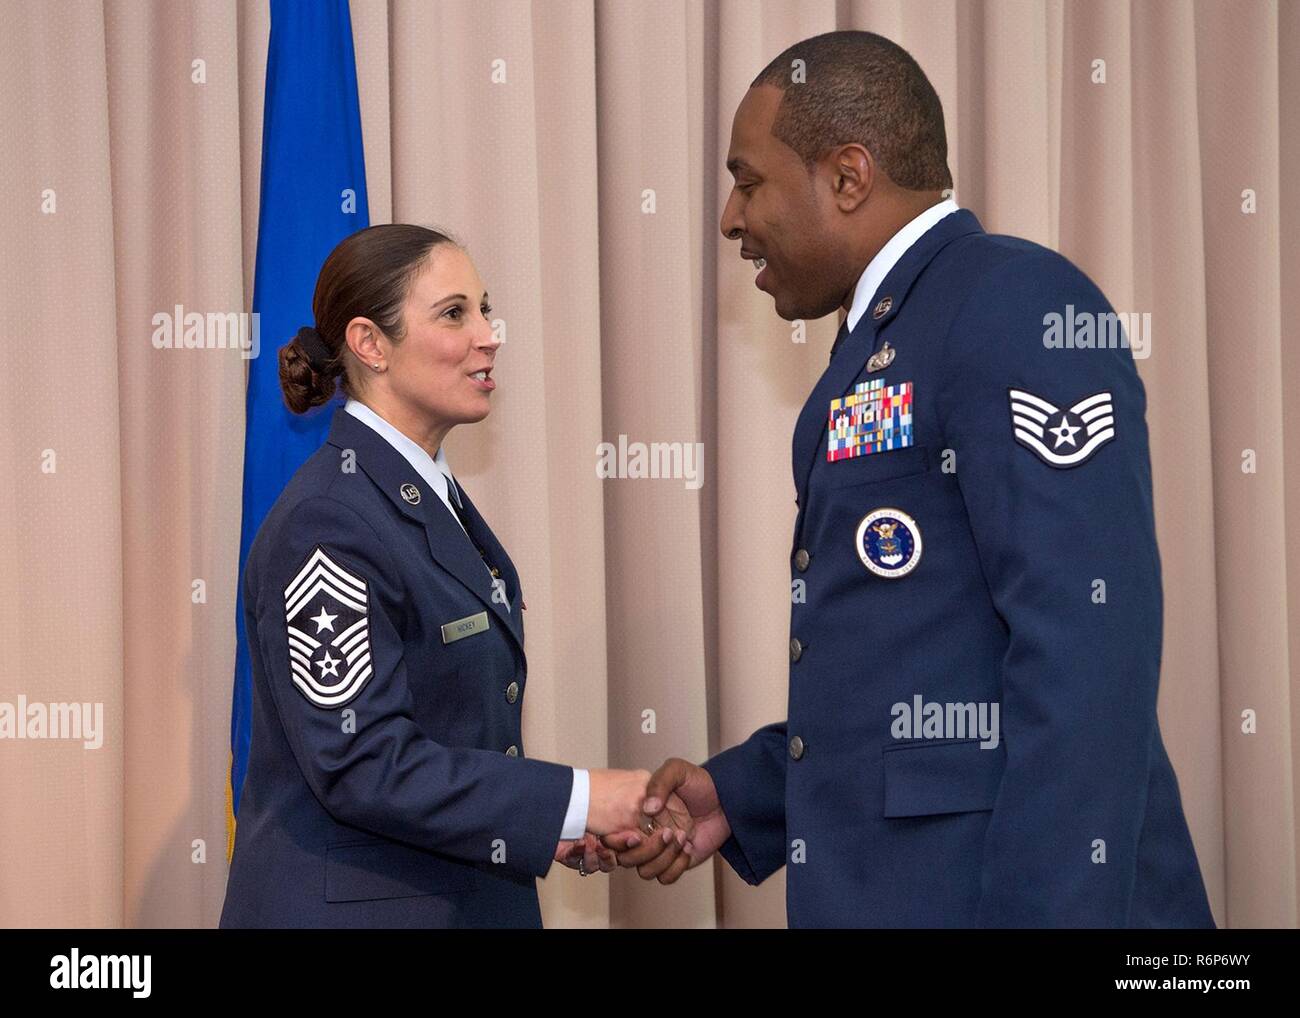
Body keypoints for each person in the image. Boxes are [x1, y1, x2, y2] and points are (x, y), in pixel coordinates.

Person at [607, 30, 1215, 928]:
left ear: (847, 177)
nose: (732, 219)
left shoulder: (1015, 305)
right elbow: (916, 669)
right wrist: (742, 794)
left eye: (748, 180)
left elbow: (1087, 661)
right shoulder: (887, 336)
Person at [221, 224, 689, 928]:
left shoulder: (421, 497)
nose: (490, 333)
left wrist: (543, 825)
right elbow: (364, 765)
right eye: (454, 313)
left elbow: (453, 734)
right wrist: (581, 796)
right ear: (369, 344)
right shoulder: (329, 521)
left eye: (485, 308)